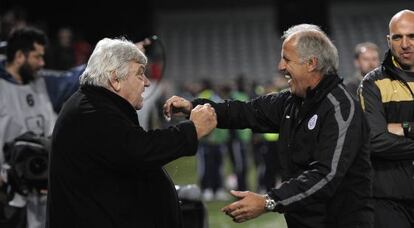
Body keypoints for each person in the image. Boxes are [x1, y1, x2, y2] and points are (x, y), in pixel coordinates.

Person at [164, 24, 374, 228]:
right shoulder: (292, 102)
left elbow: (325, 175)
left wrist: (268, 201)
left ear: (311, 63)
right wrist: (194, 106)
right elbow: (245, 112)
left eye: (287, 59)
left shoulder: (341, 109)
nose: (280, 66)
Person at [46, 37, 217, 228]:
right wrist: (192, 130)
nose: (146, 83)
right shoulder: (92, 111)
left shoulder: (95, 104)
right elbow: (140, 149)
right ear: (115, 79)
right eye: (139, 74)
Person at [0, 26, 82, 228]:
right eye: (37, 57)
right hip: (8, 193)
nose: (42, 63)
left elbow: (76, 77)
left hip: (43, 186)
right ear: (20, 56)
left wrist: (119, 54)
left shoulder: (43, 82)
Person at [358, 9, 414, 228]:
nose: (405, 44)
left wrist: (402, 128)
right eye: (398, 37)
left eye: (412, 36)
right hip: (387, 197)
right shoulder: (372, 84)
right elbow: (374, 141)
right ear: (388, 40)